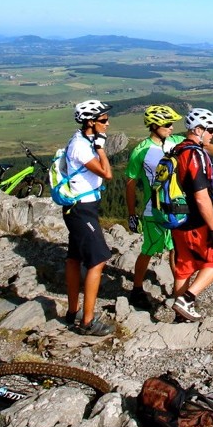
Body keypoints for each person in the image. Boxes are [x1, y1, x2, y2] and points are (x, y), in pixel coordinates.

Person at [125, 104, 213, 310]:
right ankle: (138, 289)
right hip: (153, 210)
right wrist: (132, 214)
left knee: (177, 252)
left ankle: (180, 297)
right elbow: (130, 183)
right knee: (149, 249)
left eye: (173, 123)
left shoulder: (177, 143)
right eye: (167, 124)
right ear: (154, 125)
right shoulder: (141, 151)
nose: (171, 127)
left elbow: (205, 146)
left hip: (178, 210)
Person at [170, 108, 213, 322]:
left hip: (177, 218)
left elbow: (208, 146)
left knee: (184, 267)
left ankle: (180, 315)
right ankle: (186, 299)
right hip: (197, 221)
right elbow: (201, 196)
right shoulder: (195, 155)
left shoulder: (177, 149)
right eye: (211, 129)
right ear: (198, 129)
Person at [62, 99, 115, 336]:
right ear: (90, 122)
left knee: (74, 258)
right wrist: (102, 148)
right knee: (98, 260)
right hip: (82, 209)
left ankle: (73, 311)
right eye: (103, 120)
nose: (107, 123)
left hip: (78, 208)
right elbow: (107, 173)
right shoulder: (81, 146)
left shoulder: (81, 140)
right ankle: (87, 322)